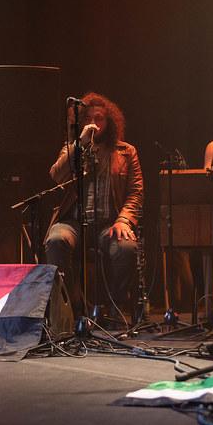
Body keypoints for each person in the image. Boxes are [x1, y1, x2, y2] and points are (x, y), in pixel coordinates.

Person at [44, 93, 144, 320]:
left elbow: (136, 193)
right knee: (56, 240)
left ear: (109, 123)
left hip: (109, 223)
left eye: (99, 118)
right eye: (88, 118)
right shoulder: (72, 149)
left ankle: (114, 307)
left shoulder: (126, 152)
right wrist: (79, 144)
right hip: (73, 222)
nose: (94, 123)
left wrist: (124, 220)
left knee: (127, 248)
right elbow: (56, 175)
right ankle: (75, 308)